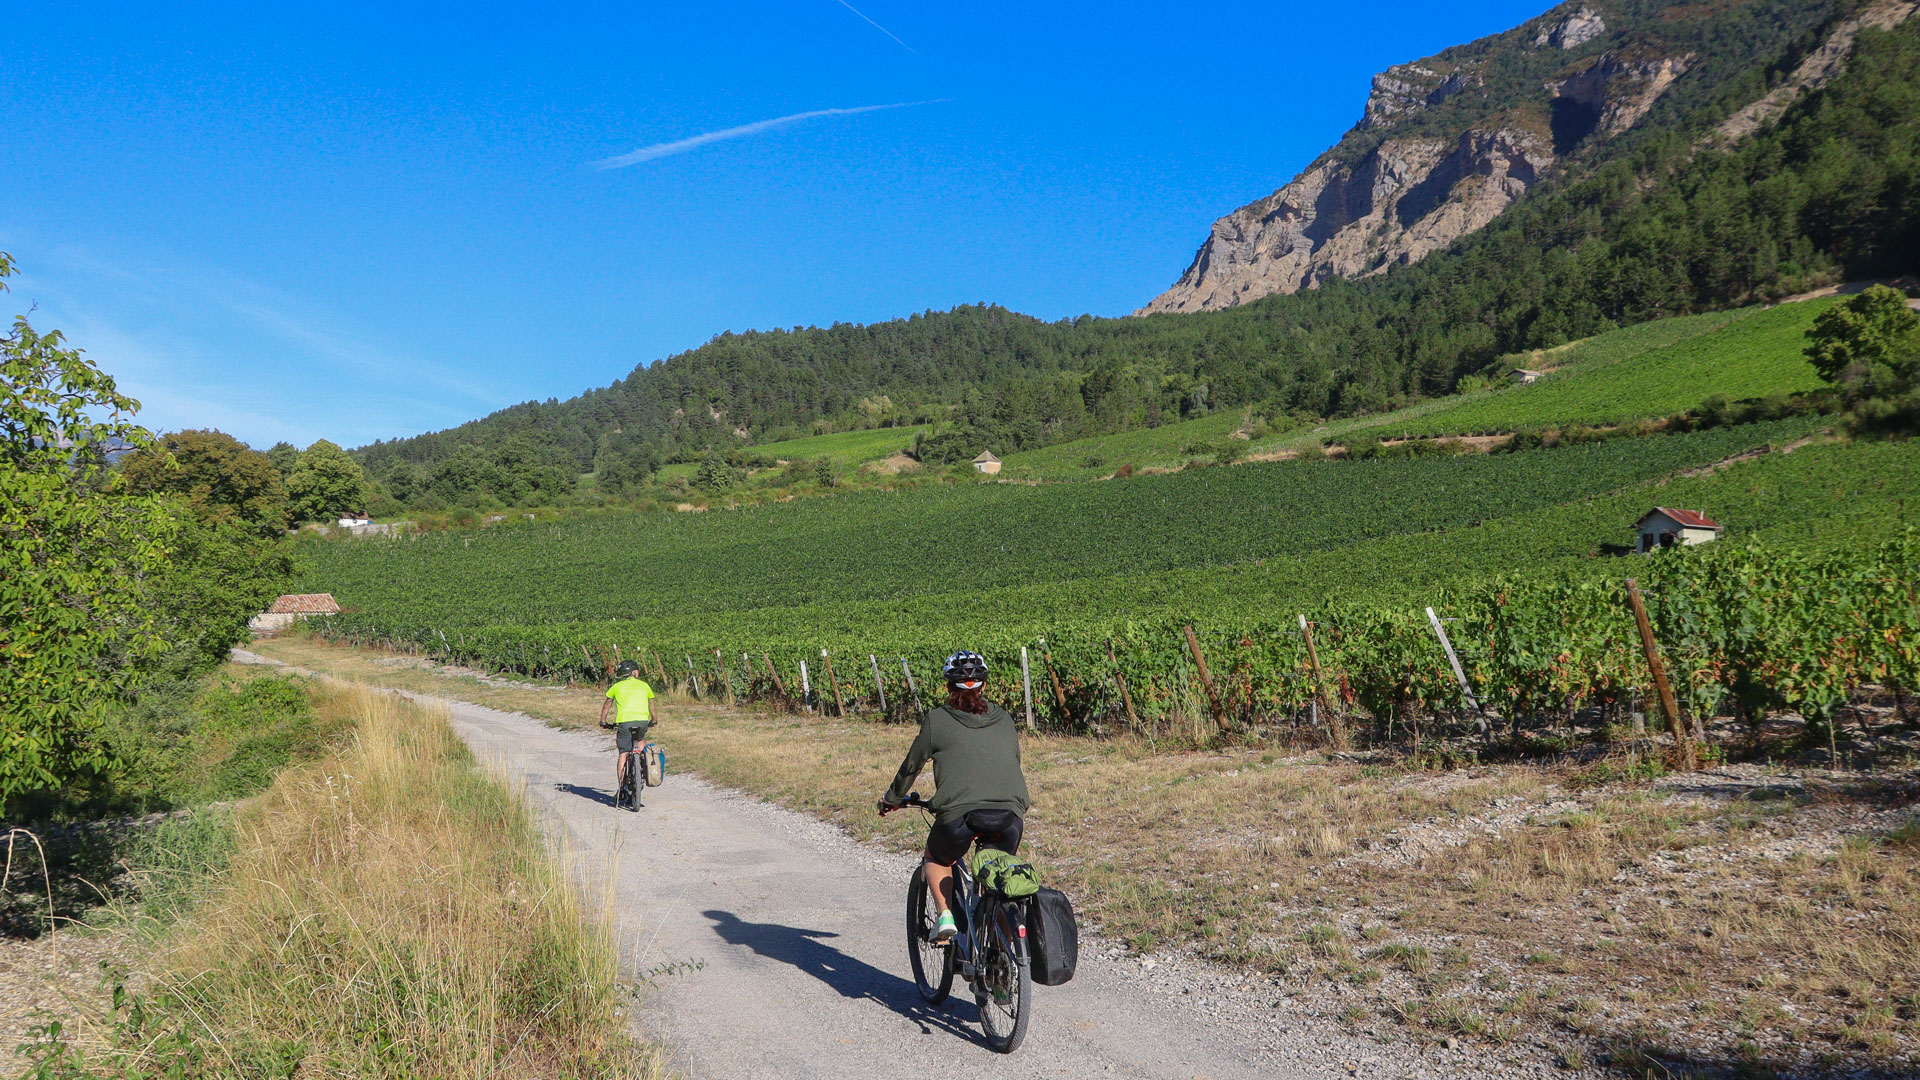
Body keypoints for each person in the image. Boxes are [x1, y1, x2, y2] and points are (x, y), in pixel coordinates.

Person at [877, 650, 1030, 944]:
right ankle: (1004, 957)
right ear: (984, 686)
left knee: (936, 856)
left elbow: (912, 766)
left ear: (948, 687)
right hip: (1009, 814)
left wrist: (892, 799)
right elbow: (1013, 761)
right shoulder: (1005, 719)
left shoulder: (937, 720)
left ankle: (945, 914)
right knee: (996, 878)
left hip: (959, 816)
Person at [599, 660, 657, 800]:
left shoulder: (616, 686)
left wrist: (603, 722)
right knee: (641, 743)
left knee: (624, 754)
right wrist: (654, 720)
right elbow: (652, 706)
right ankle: (642, 771)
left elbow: (607, 705)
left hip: (624, 723)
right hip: (642, 722)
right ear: (635, 672)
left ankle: (623, 787)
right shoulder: (644, 686)